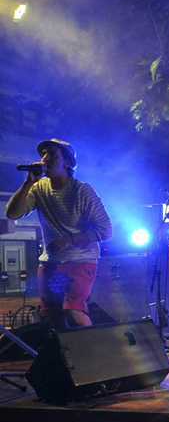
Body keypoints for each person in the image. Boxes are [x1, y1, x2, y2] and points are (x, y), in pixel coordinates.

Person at [5, 139, 113, 328]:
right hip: (50, 264)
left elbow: (105, 230)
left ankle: (95, 351)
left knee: (73, 311)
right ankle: (65, 357)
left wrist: (70, 240)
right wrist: (28, 183)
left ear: (67, 162)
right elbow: (12, 213)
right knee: (53, 317)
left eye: (52, 154)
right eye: (43, 154)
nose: (45, 158)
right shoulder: (38, 188)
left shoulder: (82, 191)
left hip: (80, 262)